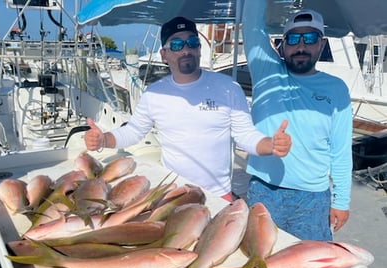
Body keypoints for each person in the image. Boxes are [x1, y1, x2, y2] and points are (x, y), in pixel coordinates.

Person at [84, 16, 291, 202]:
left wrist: (270, 144)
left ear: (199, 49)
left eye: (192, 43)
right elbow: (133, 131)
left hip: (218, 195)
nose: (186, 50)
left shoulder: (229, 88)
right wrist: (104, 139)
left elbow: (246, 135)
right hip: (173, 193)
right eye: (177, 44)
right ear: (164, 54)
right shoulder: (154, 94)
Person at [242, 0, 353, 240]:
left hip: (312, 198)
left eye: (310, 39)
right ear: (282, 45)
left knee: (311, 267)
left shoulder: (336, 89)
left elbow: (341, 151)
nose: (301, 46)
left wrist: (341, 201)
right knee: (257, 261)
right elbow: (251, 24)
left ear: (322, 44)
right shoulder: (267, 72)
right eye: (293, 39)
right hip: (264, 190)